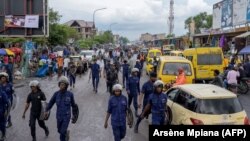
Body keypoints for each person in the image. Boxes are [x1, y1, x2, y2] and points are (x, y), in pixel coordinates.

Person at [45, 76, 77, 141]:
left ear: (66, 86)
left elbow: (73, 105)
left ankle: (64, 137)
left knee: (62, 132)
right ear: (59, 84)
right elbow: (51, 103)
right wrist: (46, 110)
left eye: (63, 84)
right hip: (58, 116)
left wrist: (74, 115)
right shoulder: (56, 94)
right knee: (59, 130)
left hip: (66, 116)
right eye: (60, 84)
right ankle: (66, 133)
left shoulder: (70, 94)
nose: (61, 86)